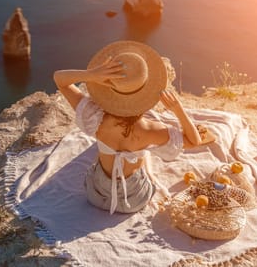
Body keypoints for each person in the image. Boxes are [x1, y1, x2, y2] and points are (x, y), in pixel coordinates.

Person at [53, 41, 203, 214]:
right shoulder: (150, 130)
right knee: (145, 153)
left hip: (96, 195)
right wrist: (178, 110)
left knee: (104, 153)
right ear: (144, 98)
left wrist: (91, 75)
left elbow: (59, 79)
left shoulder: (94, 117)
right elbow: (195, 141)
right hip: (133, 200)